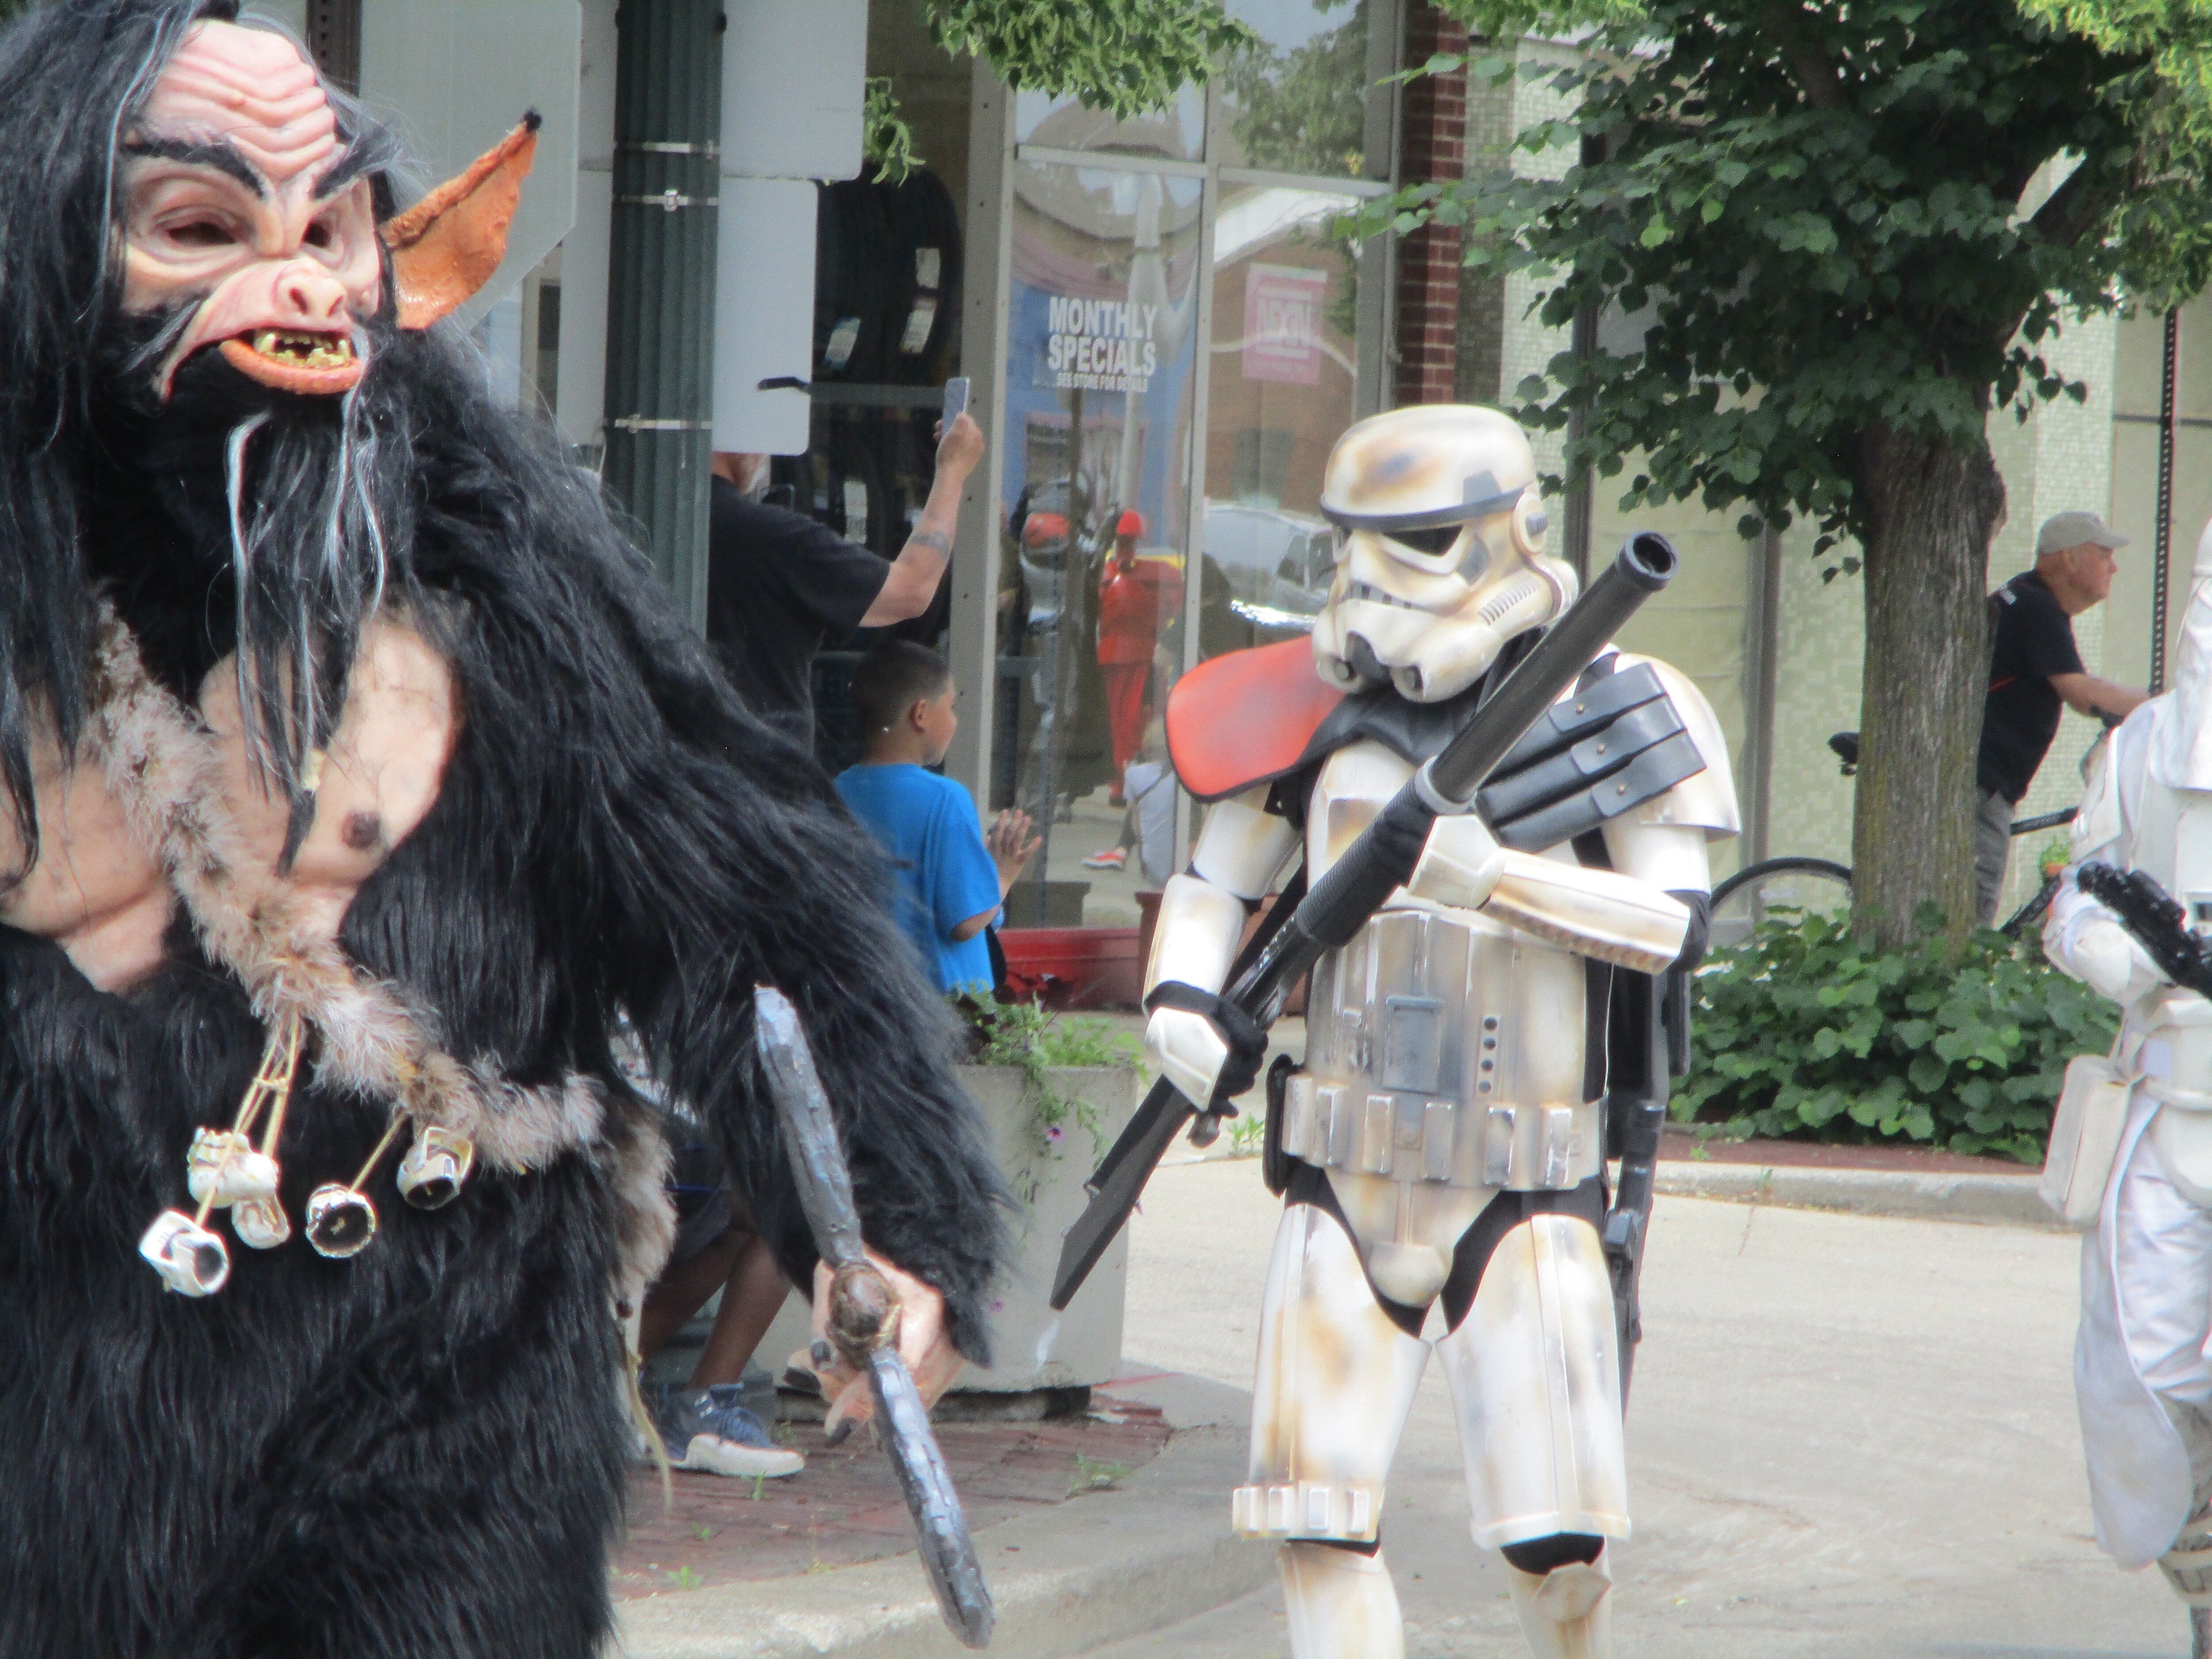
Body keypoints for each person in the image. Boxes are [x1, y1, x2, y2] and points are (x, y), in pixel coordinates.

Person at [0, 10, 1007, 1656]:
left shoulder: (488, 563)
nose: (301, 285)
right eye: (198, 228)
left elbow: (743, 899)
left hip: (441, 1400)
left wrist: (886, 1212)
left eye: (329, 227)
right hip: (57, 1421)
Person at [1142, 404, 1736, 1659]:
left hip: (1525, 1181)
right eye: (1347, 544)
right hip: (1338, 1168)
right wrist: (1182, 997)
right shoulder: (1306, 705)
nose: (1368, 582)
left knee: (1554, 1542)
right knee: (1315, 1517)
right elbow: (1215, 881)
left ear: (1504, 533)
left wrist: (1502, 879)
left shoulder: (1621, 700)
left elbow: (1676, 928)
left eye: (1411, 541)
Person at [2043, 518, 2212, 1659]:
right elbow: (2077, 896)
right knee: (2142, 1367)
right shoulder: (2148, 739)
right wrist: (2140, 955)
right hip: (2170, 1104)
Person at [706, 412, 985, 747]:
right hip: (758, 776)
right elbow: (912, 590)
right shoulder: (773, 538)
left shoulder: (645, 515)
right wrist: (952, 472)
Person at [835, 642, 1041, 995]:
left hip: (867, 1000)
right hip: (942, 1013)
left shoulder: (835, 791)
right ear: (921, 714)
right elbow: (964, 922)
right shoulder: (946, 799)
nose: (956, 720)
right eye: (951, 707)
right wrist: (1002, 875)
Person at [1976, 511, 2147, 924]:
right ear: (2070, 558)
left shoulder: (2023, 596)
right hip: (1981, 782)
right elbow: (2080, 692)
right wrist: (2161, 706)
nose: (2114, 565)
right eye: (2104, 554)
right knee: (1972, 916)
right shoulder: (2036, 606)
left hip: (1983, 775)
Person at [1094, 509, 1182, 803]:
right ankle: (1127, 780)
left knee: (1123, 721)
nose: (1127, 548)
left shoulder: (1108, 574)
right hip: (1139, 656)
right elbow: (1172, 607)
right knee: (1133, 720)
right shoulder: (1155, 575)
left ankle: (1124, 780)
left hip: (1119, 656)